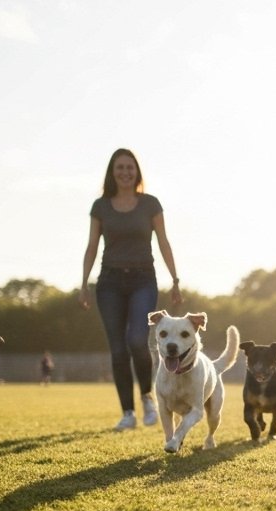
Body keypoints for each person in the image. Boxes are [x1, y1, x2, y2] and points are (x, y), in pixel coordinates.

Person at [80, 148, 181, 431]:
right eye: (120, 167)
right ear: (112, 172)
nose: (125, 172)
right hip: (109, 282)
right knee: (117, 350)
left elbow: (163, 242)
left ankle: (147, 397)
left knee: (138, 338)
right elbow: (91, 246)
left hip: (142, 279)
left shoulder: (150, 204)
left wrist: (175, 279)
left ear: (136, 171)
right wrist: (83, 284)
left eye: (130, 167)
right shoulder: (100, 206)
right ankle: (127, 412)